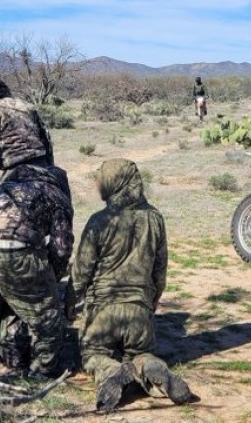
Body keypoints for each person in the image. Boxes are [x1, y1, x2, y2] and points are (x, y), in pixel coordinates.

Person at [70, 158, 196, 413]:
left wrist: (70, 301)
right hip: (139, 310)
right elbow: (160, 267)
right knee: (139, 352)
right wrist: (154, 297)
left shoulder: (99, 221)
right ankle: (148, 364)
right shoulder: (154, 218)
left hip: (102, 311)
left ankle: (109, 372)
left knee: (93, 354)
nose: (98, 183)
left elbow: (81, 271)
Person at [0, 164, 73, 378]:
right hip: (17, 251)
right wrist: (51, 276)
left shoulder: (6, 187)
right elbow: (62, 247)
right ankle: (44, 366)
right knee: (46, 312)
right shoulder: (56, 195)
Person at [0, 75, 53, 183]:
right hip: (42, 165)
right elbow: (46, 139)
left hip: (15, 172)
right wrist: (50, 168)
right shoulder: (27, 107)